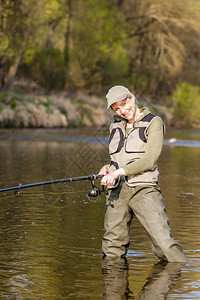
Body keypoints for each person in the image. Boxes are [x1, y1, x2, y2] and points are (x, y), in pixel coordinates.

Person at [99, 85, 188, 263]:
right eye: (117, 108)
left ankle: (179, 282)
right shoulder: (114, 126)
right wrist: (107, 169)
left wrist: (119, 172)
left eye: (124, 103)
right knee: (111, 249)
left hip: (144, 189)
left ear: (132, 97)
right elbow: (116, 159)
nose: (123, 110)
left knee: (165, 247)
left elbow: (149, 159)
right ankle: (113, 287)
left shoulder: (154, 122)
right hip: (116, 192)